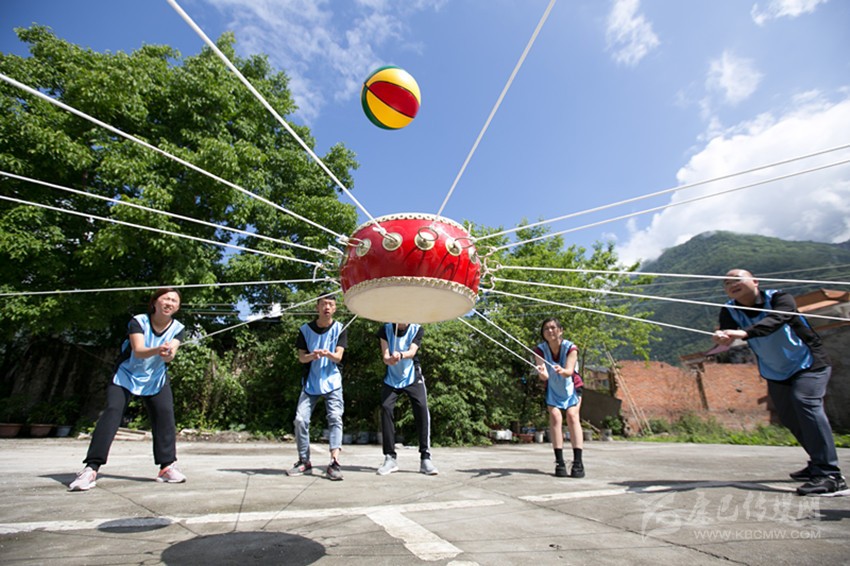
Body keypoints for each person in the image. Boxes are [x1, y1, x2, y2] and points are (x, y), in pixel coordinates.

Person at [712, 269, 845, 496]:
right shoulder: (729, 310)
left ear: (755, 281)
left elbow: (776, 320)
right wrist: (721, 339)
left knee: (805, 403)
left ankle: (830, 474)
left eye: (736, 279)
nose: (731, 284)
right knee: (790, 416)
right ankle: (818, 461)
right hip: (776, 371)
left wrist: (744, 333)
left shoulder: (780, 298)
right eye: (726, 283)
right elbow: (727, 338)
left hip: (809, 363)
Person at [68, 288, 186, 491]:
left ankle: (166, 467)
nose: (170, 303)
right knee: (112, 412)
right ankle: (91, 468)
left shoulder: (178, 328)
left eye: (174, 301)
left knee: (165, 415)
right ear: (154, 302)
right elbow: (138, 351)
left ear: (178, 307)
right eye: (166, 298)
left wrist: (168, 353)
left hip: (155, 378)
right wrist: (158, 349)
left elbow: (170, 356)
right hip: (126, 376)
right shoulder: (138, 322)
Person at [286, 295, 348, 481]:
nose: (327, 307)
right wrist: (312, 356)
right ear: (317, 307)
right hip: (310, 383)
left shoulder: (340, 328)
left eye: (330, 304)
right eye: (323, 304)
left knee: (335, 417)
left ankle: (334, 462)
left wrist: (327, 354)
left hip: (332, 382)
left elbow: (338, 357)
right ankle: (304, 461)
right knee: (300, 420)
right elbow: (301, 358)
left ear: (335, 308)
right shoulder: (305, 330)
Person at [375, 322, 438, 476]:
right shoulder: (385, 329)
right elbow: (385, 356)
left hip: (412, 375)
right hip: (392, 377)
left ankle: (425, 457)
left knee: (421, 408)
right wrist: (389, 360)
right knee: (386, 408)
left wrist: (401, 355)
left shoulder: (417, 329)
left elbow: (412, 352)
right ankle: (390, 457)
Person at [533, 318, 585, 478]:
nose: (550, 331)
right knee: (555, 417)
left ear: (560, 330)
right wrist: (542, 373)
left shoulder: (571, 348)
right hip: (553, 388)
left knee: (572, 416)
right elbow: (544, 376)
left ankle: (578, 462)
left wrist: (562, 371)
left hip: (572, 387)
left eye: (553, 327)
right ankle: (559, 462)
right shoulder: (540, 350)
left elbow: (569, 371)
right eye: (546, 329)